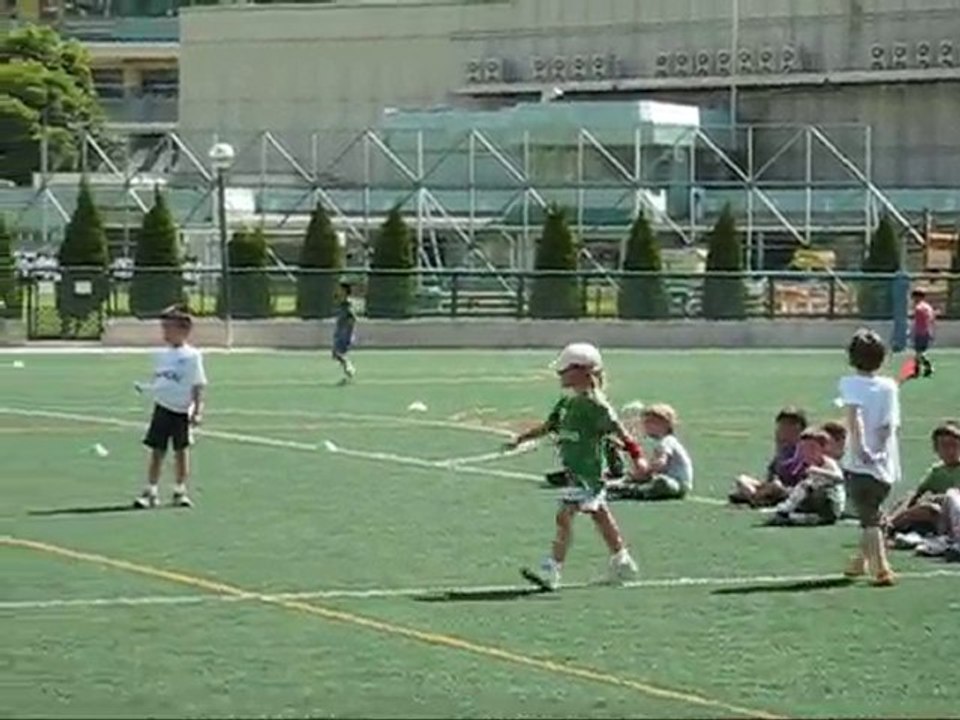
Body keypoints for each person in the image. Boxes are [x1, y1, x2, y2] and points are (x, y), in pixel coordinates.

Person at [505, 342, 644, 590]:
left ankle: (552, 569)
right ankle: (622, 560)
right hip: (575, 471)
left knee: (564, 515)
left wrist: (637, 456)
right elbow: (550, 426)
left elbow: (619, 430)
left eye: (565, 370)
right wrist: (521, 438)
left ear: (582, 372)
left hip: (588, 474)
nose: (559, 374)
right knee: (600, 515)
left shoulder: (595, 405)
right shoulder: (566, 404)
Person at [838, 329, 901, 586]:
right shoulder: (889, 386)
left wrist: (863, 448)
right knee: (871, 512)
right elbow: (888, 425)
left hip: (860, 463)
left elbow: (856, 418)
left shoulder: (849, 384)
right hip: (886, 462)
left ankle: (880, 568)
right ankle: (859, 562)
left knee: (869, 518)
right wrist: (880, 450)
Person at [134, 306, 207, 509]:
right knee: (157, 450)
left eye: (169, 328)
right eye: (163, 327)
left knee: (181, 451)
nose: (165, 332)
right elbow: (161, 380)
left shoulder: (192, 356)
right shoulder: (160, 355)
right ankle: (151, 490)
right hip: (162, 408)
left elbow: (198, 384)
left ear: (183, 330)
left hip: (181, 411)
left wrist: (198, 409)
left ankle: (180, 489)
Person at [884, 421, 960, 546]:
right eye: (944, 446)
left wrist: (936, 499)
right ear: (936, 449)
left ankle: (889, 527)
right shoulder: (937, 471)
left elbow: (954, 499)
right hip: (940, 518)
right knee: (907, 497)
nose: (950, 451)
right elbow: (917, 493)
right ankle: (890, 522)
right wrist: (907, 504)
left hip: (954, 519)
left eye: (954, 446)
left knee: (929, 509)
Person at [607, 404, 693, 501]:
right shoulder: (663, 441)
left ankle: (634, 491)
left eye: (649, 422)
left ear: (664, 424)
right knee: (649, 480)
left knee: (660, 482)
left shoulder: (666, 442)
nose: (645, 425)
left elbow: (660, 463)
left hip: (675, 483)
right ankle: (629, 487)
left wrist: (647, 472)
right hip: (674, 483)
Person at [729, 407, 808, 507]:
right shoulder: (782, 449)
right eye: (782, 426)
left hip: (792, 489)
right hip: (775, 487)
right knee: (742, 480)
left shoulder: (804, 448)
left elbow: (801, 475)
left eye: (789, 426)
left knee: (776, 487)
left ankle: (755, 497)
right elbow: (772, 472)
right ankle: (758, 498)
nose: (784, 431)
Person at [767, 428, 845, 526]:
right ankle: (786, 513)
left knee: (806, 486)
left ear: (823, 448)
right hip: (815, 505)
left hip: (830, 504)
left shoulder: (828, 463)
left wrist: (819, 471)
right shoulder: (808, 464)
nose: (807, 452)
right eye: (804, 449)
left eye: (812, 448)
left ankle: (787, 510)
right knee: (803, 488)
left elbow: (840, 478)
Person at [332, 282, 357, 384]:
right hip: (340, 332)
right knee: (336, 354)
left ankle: (350, 370)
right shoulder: (341, 302)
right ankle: (348, 372)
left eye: (341, 289)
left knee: (339, 353)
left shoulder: (348, 304)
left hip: (345, 333)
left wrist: (348, 332)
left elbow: (352, 317)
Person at [910, 289, 935, 378]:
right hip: (927, 331)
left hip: (920, 332)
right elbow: (931, 320)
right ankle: (916, 370)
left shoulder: (918, 308)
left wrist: (911, 332)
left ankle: (928, 366)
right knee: (918, 352)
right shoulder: (928, 307)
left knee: (919, 353)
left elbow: (917, 322)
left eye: (914, 297)